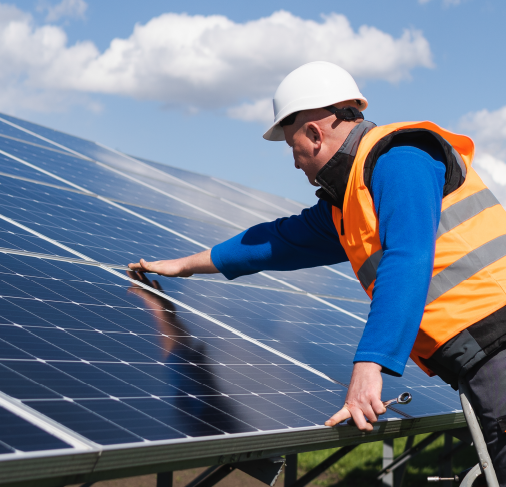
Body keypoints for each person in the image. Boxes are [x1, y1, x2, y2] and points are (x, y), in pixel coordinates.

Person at [129, 61, 506, 482]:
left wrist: (370, 366)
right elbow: (277, 242)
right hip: (482, 358)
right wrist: (189, 265)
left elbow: (408, 257)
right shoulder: (351, 201)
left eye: (293, 148)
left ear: (314, 133)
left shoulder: (400, 159)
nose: (295, 164)